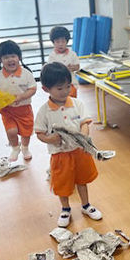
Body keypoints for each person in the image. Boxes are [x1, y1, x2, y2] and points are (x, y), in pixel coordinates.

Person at [34, 62, 102, 227]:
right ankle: (65, 209)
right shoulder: (44, 111)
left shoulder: (77, 104)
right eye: (59, 88)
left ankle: (86, 205)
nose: (65, 91)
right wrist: (51, 139)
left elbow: (85, 122)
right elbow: (40, 134)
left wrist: (84, 136)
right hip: (60, 154)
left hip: (79, 152)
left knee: (82, 180)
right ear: (46, 89)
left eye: (68, 86)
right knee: (62, 184)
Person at [0, 40, 36, 162]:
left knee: (26, 133)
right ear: (0, 60)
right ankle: (15, 148)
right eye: (6, 57)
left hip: (24, 109)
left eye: (13, 56)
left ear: (19, 57)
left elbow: (33, 89)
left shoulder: (26, 74)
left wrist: (21, 97)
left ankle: (25, 148)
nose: (10, 60)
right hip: (7, 110)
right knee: (11, 131)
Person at [48, 26, 80, 98]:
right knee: (60, 102)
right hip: (57, 85)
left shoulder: (72, 54)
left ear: (67, 41)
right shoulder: (52, 56)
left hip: (71, 84)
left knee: (72, 102)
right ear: (53, 42)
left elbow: (77, 66)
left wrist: (73, 67)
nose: (60, 44)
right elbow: (50, 70)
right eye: (57, 42)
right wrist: (62, 69)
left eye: (63, 41)